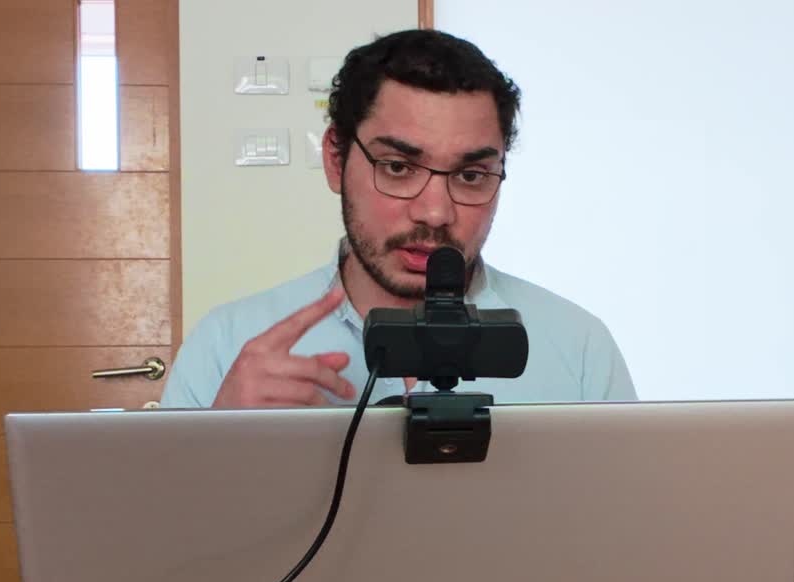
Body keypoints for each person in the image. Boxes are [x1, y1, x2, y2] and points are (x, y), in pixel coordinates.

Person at [161, 29, 635, 408]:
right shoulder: (227, 346)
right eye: (398, 167)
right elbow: (168, 528)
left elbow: (627, 524)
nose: (435, 212)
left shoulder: (578, 349)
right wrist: (217, 446)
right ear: (335, 159)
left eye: (471, 175)